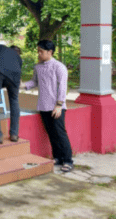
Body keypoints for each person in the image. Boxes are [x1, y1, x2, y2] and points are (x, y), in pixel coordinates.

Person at [23, 40, 73, 172]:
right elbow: (34, 81)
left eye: (41, 51)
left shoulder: (59, 67)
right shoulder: (38, 67)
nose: (39, 54)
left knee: (60, 133)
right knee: (51, 133)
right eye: (38, 51)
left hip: (57, 106)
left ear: (50, 52)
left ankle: (68, 160)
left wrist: (59, 105)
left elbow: (63, 87)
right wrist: (22, 85)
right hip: (43, 106)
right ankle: (57, 157)